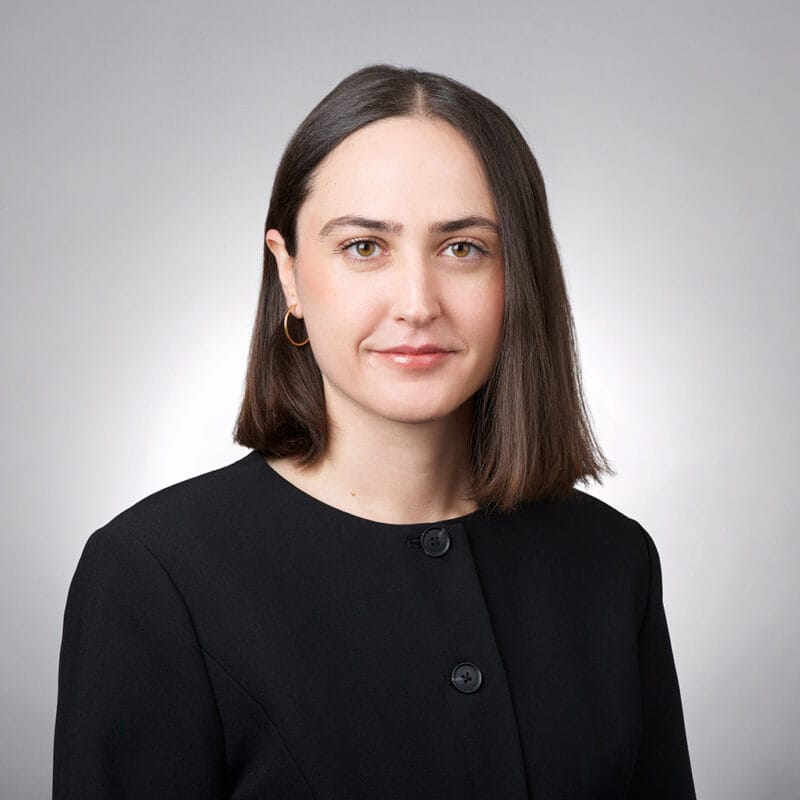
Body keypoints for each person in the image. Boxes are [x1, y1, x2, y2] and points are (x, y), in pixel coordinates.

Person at [52, 64, 697, 799]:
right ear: (288, 273)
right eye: (364, 246)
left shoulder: (613, 561)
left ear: (520, 277)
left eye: (463, 247)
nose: (417, 304)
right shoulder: (151, 575)